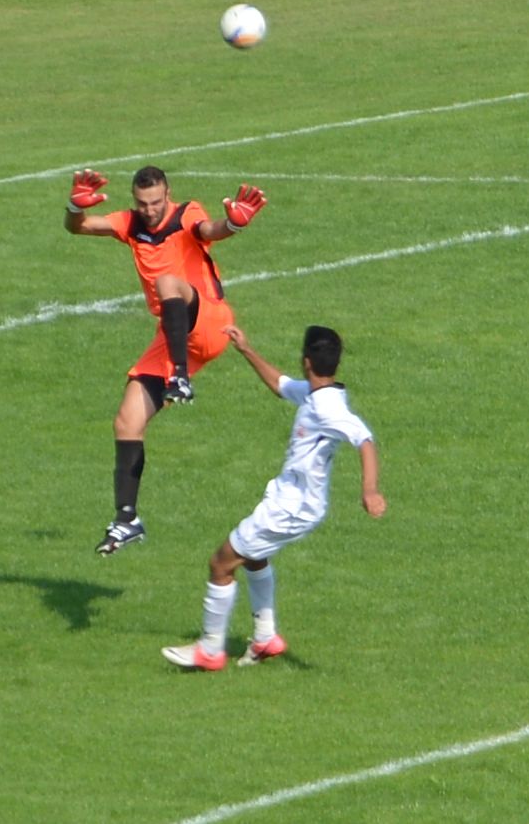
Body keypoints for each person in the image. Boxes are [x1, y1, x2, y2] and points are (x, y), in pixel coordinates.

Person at [65, 166, 268, 555]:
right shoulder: (129, 223)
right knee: (127, 419)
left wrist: (234, 224)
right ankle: (126, 519)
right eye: (142, 204)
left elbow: (209, 231)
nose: (150, 211)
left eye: (156, 202)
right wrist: (74, 206)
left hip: (207, 319)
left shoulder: (185, 212)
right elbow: (78, 227)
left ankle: (180, 378)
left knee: (167, 284)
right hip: (173, 335)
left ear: (167, 195)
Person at [161, 325, 386, 671]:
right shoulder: (319, 393)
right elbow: (281, 385)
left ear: (306, 361)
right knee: (253, 557)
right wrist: (246, 349)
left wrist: (369, 489)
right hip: (289, 501)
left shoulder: (328, 408)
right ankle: (265, 638)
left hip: (291, 508)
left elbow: (364, 440)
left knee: (221, 564)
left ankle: (209, 650)